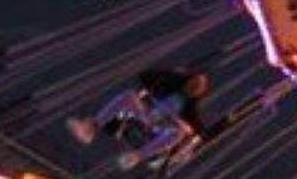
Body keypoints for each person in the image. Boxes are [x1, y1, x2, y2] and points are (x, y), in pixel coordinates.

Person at [67, 68, 211, 170]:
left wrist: (184, 126)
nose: (193, 87)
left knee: (179, 132)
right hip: (146, 115)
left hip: (159, 129)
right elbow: (145, 75)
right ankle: (91, 127)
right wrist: (170, 74)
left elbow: (200, 131)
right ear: (188, 79)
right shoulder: (170, 82)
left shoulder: (190, 109)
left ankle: (136, 156)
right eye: (193, 83)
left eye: (197, 88)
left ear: (198, 94)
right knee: (129, 96)